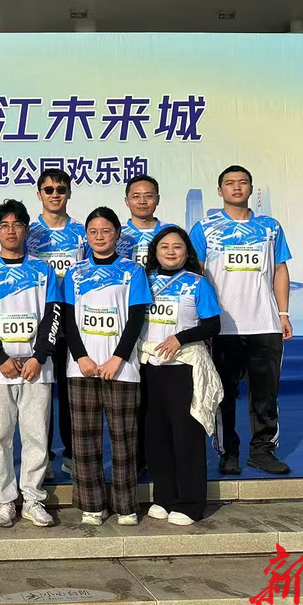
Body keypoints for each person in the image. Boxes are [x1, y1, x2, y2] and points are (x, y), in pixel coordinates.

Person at [190, 165, 293, 476]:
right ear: (219, 191)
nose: (236, 187)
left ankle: (262, 450)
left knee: (266, 394)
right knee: (223, 395)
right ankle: (228, 452)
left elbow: (280, 270)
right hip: (222, 328)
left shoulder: (270, 227)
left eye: (243, 182)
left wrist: (283, 313)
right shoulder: (204, 228)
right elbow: (195, 274)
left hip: (265, 325)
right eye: (229, 183)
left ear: (250, 188)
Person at [0, 199, 61, 529]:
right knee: (0, 438)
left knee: (36, 436)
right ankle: (6, 500)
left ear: (26, 230)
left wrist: (39, 356)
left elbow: (53, 316)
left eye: (17, 225)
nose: (11, 231)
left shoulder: (43, 270)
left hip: (37, 368)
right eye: (4, 226)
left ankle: (33, 499)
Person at [63, 207, 152, 527]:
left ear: (117, 233)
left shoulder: (133, 271)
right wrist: (81, 357)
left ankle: (126, 505)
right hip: (82, 369)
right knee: (84, 440)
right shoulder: (75, 273)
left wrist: (118, 358)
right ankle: (92, 504)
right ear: (86, 236)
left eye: (106, 231)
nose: (99, 237)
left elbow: (137, 317)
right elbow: (68, 320)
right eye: (93, 232)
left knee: (124, 439)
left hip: (121, 369)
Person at [140, 227, 222, 526]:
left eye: (177, 246)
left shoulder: (197, 283)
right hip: (150, 366)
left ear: (187, 252)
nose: (171, 251)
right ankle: (164, 496)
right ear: (155, 251)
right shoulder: (143, 281)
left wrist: (180, 338)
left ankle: (189, 502)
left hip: (183, 367)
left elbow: (213, 325)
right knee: (156, 436)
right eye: (164, 246)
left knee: (186, 435)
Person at [25, 167, 86, 477]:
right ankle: (43, 456)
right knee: (40, 395)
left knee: (72, 393)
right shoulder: (27, 232)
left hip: (74, 324)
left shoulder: (82, 232)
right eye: (48, 189)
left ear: (69, 193)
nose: (55, 194)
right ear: (39, 195)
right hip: (39, 323)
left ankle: (72, 454)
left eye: (61, 189)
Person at [115, 174, 173, 474]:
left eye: (148, 195)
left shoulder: (170, 233)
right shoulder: (116, 235)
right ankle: (135, 458)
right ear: (127, 201)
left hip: (162, 324)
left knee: (159, 396)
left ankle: (160, 455)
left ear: (157, 199)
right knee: (132, 398)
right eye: (136, 196)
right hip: (123, 324)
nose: (142, 201)